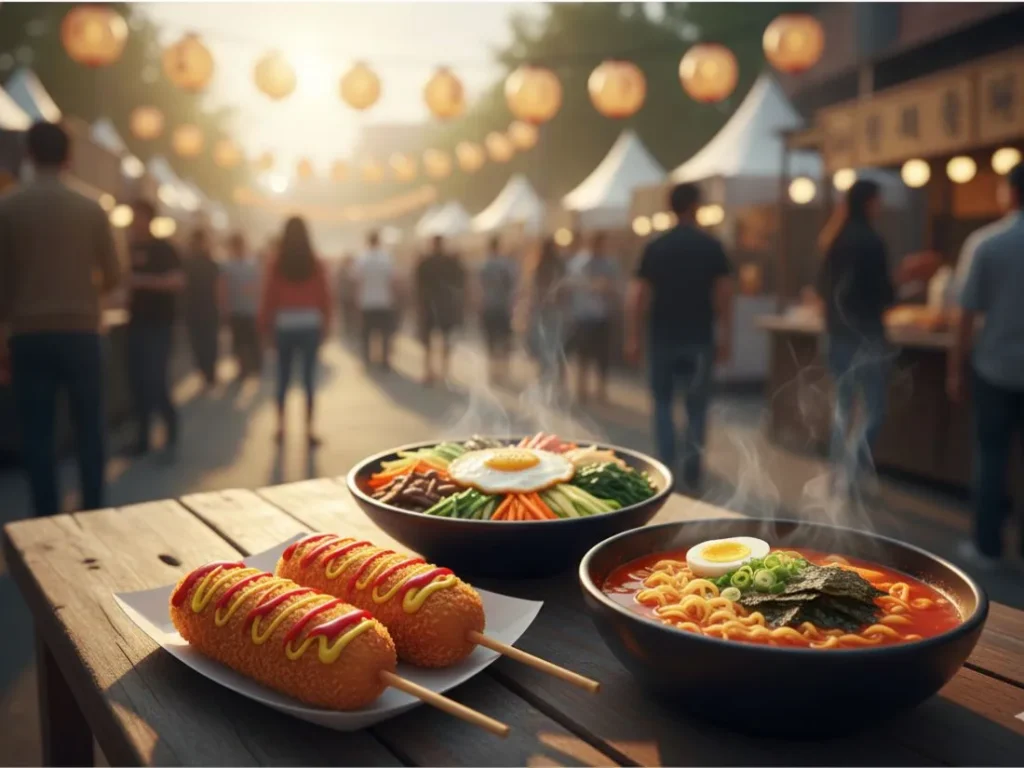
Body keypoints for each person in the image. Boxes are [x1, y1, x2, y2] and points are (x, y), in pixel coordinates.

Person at [0, 121, 121, 516]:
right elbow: (114, 274)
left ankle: (46, 518)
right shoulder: (92, 206)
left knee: (38, 435)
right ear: (70, 157)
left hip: (28, 333)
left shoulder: (9, 207)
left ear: (29, 154)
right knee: (89, 428)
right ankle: (93, 511)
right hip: (82, 330)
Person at [625, 183, 733, 490]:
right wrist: (725, 336)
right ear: (696, 206)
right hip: (699, 337)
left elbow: (638, 295)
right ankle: (693, 470)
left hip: (662, 337)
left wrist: (633, 336)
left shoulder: (656, 247)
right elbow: (725, 294)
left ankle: (667, 466)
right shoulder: (711, 246)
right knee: (696, 407)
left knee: (662, 403)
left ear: (670, 207)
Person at [948, 163, 1024, 565]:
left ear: (1010, 192)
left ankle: (987, 546)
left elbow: (965, 314)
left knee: (991, 457)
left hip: (994, 366)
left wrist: (955, 369)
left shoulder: (987, 242)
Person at [816, 179, 895, 492]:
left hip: (836, 334)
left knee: (843, 407)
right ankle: (852, 469)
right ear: (869, 202)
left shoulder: (834, 239)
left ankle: (836, 472)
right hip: (867, 336)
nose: (881, 207)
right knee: (874, 408)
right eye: (878, 200)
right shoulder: (872, 241)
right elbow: (884, 294)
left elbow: (823, 289)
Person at [259, 216, 331, 446]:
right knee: (309, 380)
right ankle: (309, 430)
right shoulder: (315, 262)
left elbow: (268, 297)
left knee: (282, 378)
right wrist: (327, 324)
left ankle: (281, 428)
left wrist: (264, 326)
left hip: (284, 324)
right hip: (310, 323)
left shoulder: (276, 262)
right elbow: (325, 296)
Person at [126, 199, 185, 457]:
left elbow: (177, 282)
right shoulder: (127, 249)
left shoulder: (163, 249)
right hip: (136, 323)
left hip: (159, 324)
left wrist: (142, 281)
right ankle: (142, 439)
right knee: (138, 382)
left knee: (157, 380)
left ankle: (170, 433)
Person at [566, 231, 621, 402]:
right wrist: (591, 285)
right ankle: (580, 388)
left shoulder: (609, 263)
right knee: (583, 354)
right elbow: (570, 285)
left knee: (602, 356)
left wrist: (608, 289)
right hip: (583, 315)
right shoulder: (579, 263)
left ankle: (600, 390)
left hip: (602, 315)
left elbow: (615, 286)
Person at [415, 235, 466, 385]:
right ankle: (444, 372)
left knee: (429, 340)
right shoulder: (449, 261)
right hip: (445, 304)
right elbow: (460, 281)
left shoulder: (425, 262)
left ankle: (429, 371)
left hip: (429, 303)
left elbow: (418, 285)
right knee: (444, 338)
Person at [522, 237, 568, 389]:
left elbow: (535, 290)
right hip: (552, 310)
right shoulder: (556, 265)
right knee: (553, 343)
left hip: (546, 309)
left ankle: (547, 374)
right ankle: (555, 377)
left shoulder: (542, 265)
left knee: (547, 343)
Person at [352, 230, 398, 370]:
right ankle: (385, 360)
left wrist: (357, 298)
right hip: (384, 300)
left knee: (367, 332)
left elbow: (357, 280)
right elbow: (392, 280)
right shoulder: (386, 258)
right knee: (385, 332)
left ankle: (367, 359)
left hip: (367, 301)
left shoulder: (362, 258)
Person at [476, 235, 518, 384]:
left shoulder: (484, 265)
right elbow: (513, 286)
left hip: (489, 306)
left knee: (491, 341)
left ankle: (492, 370)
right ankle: (504, 370)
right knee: (504, 340)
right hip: (503, 307)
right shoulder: (506, 265)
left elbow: (479, 288)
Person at [183, 228, 221, 389]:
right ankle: (206, 372)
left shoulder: (210, 264)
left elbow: (219, 287)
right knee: (200, 343)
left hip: (207, 309)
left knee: (208, 343)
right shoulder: (188, 263)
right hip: (195, 309)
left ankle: (209, 372)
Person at [221, 232, 262, 379]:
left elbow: (259, 287)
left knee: (246, 340)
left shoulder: (249, 265)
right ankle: (247, 368)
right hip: (240, 309)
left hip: (247, 309)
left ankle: (251, 368)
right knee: (243, 341)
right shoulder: (228, 266)